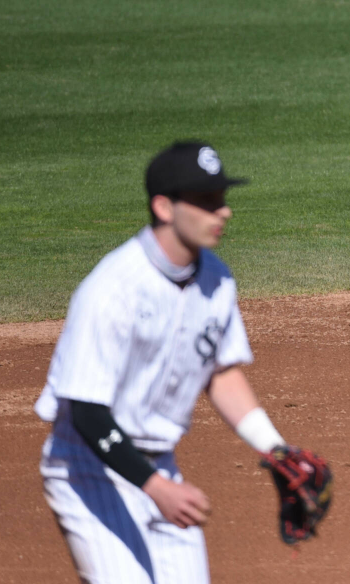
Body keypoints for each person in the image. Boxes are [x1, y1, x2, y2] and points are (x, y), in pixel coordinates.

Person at [35, 141, 296, 583]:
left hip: (160, 467)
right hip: (89, 469)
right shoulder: (112, 288)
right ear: (163, 207)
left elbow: (220, 371)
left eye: (222, 198)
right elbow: (86, 412)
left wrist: (275, 449)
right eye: (206, 201)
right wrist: (156, 488)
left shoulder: (216, 278)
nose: (224, 211)